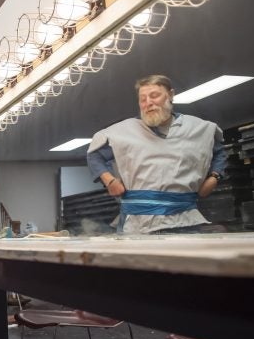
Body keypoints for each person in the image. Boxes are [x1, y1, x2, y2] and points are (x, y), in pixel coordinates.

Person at [86, 74, 227, 234]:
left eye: (154, 96)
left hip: (186, 221)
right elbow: (94, 155)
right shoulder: (121, 133)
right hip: (136, 223)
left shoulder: (199, 129)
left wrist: (215, 176)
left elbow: (219, 152)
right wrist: (109, 181)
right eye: (143, 99)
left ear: (171, 95)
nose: (148, 103)